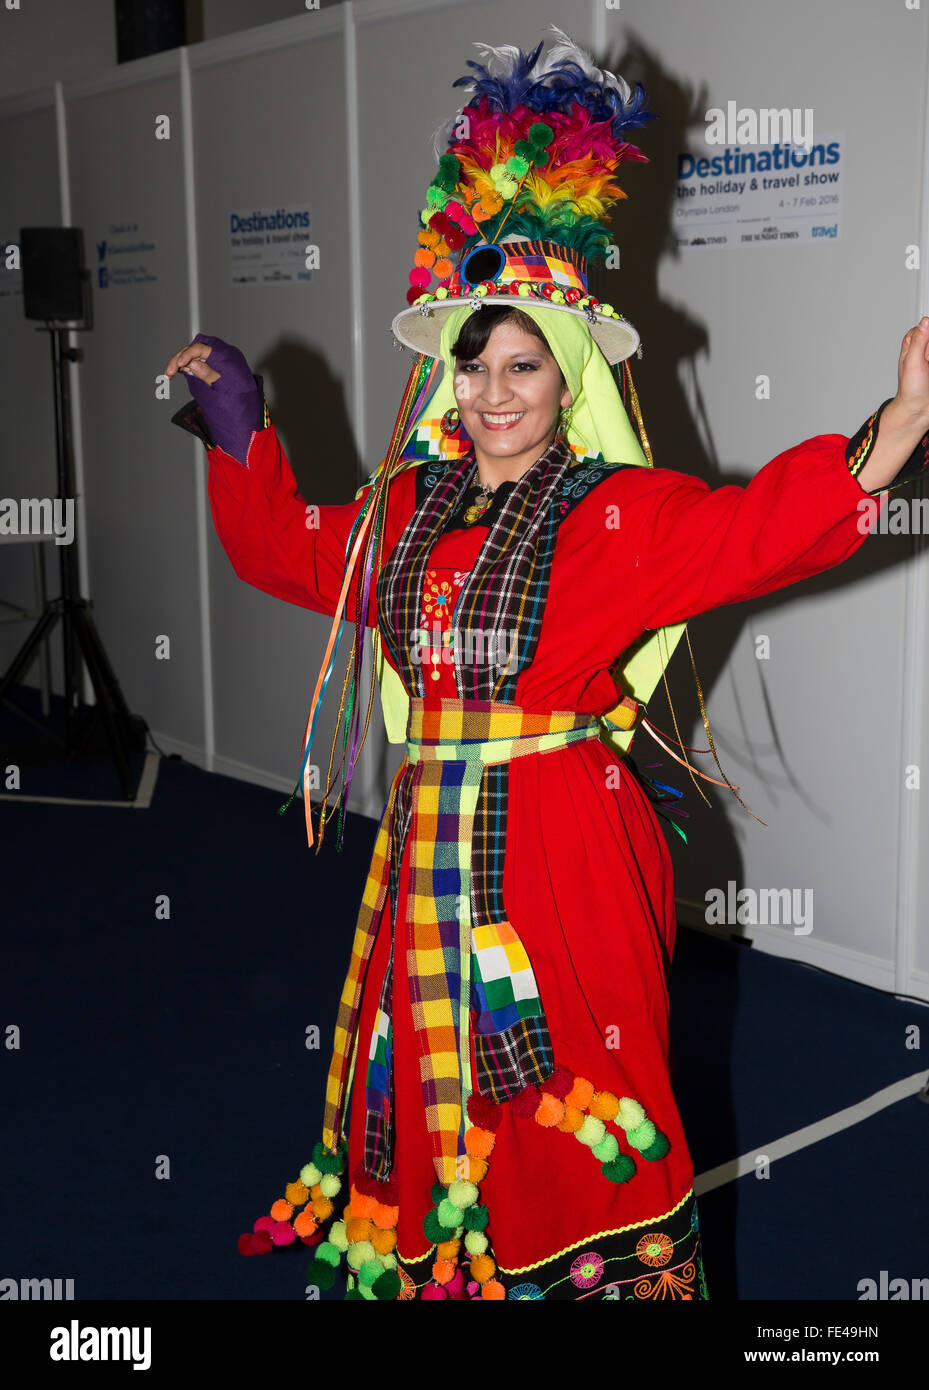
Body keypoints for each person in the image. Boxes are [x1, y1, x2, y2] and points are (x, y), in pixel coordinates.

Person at [164, 27, 929, 1302]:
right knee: (432, 1073)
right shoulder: (404, 509)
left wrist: (895, 426)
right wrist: (240, 433)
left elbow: (751, 535)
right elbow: (294, 556)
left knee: (582, 1090)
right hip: (424, 842)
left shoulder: (613, 517)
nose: (490, 388)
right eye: (471, 360)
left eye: (521, 363)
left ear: (566, 377)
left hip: (564, 851)